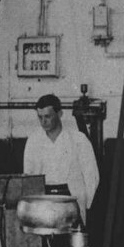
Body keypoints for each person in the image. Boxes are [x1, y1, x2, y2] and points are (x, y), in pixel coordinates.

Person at [23, 93, 100, 221]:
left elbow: (92, 176)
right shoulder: (33, 141)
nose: (43, 122)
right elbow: (28, 176)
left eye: (48, 116)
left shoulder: (78, 139)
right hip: (43, 201)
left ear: (60, 114)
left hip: (72, 200)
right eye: (40, 117)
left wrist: (85, 206)